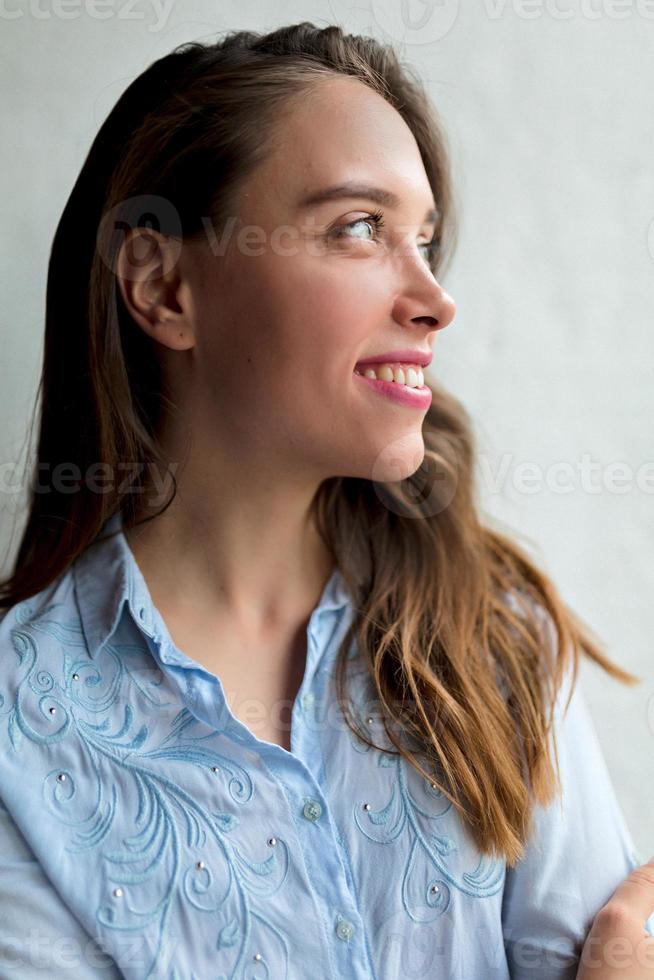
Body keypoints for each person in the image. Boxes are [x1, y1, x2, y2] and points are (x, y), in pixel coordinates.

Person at [0, 20, 651, 980]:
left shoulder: (496, 635)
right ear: (163, 284)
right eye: (359, 228)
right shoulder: (19, 724)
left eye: (424, 239)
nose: (435, 299)